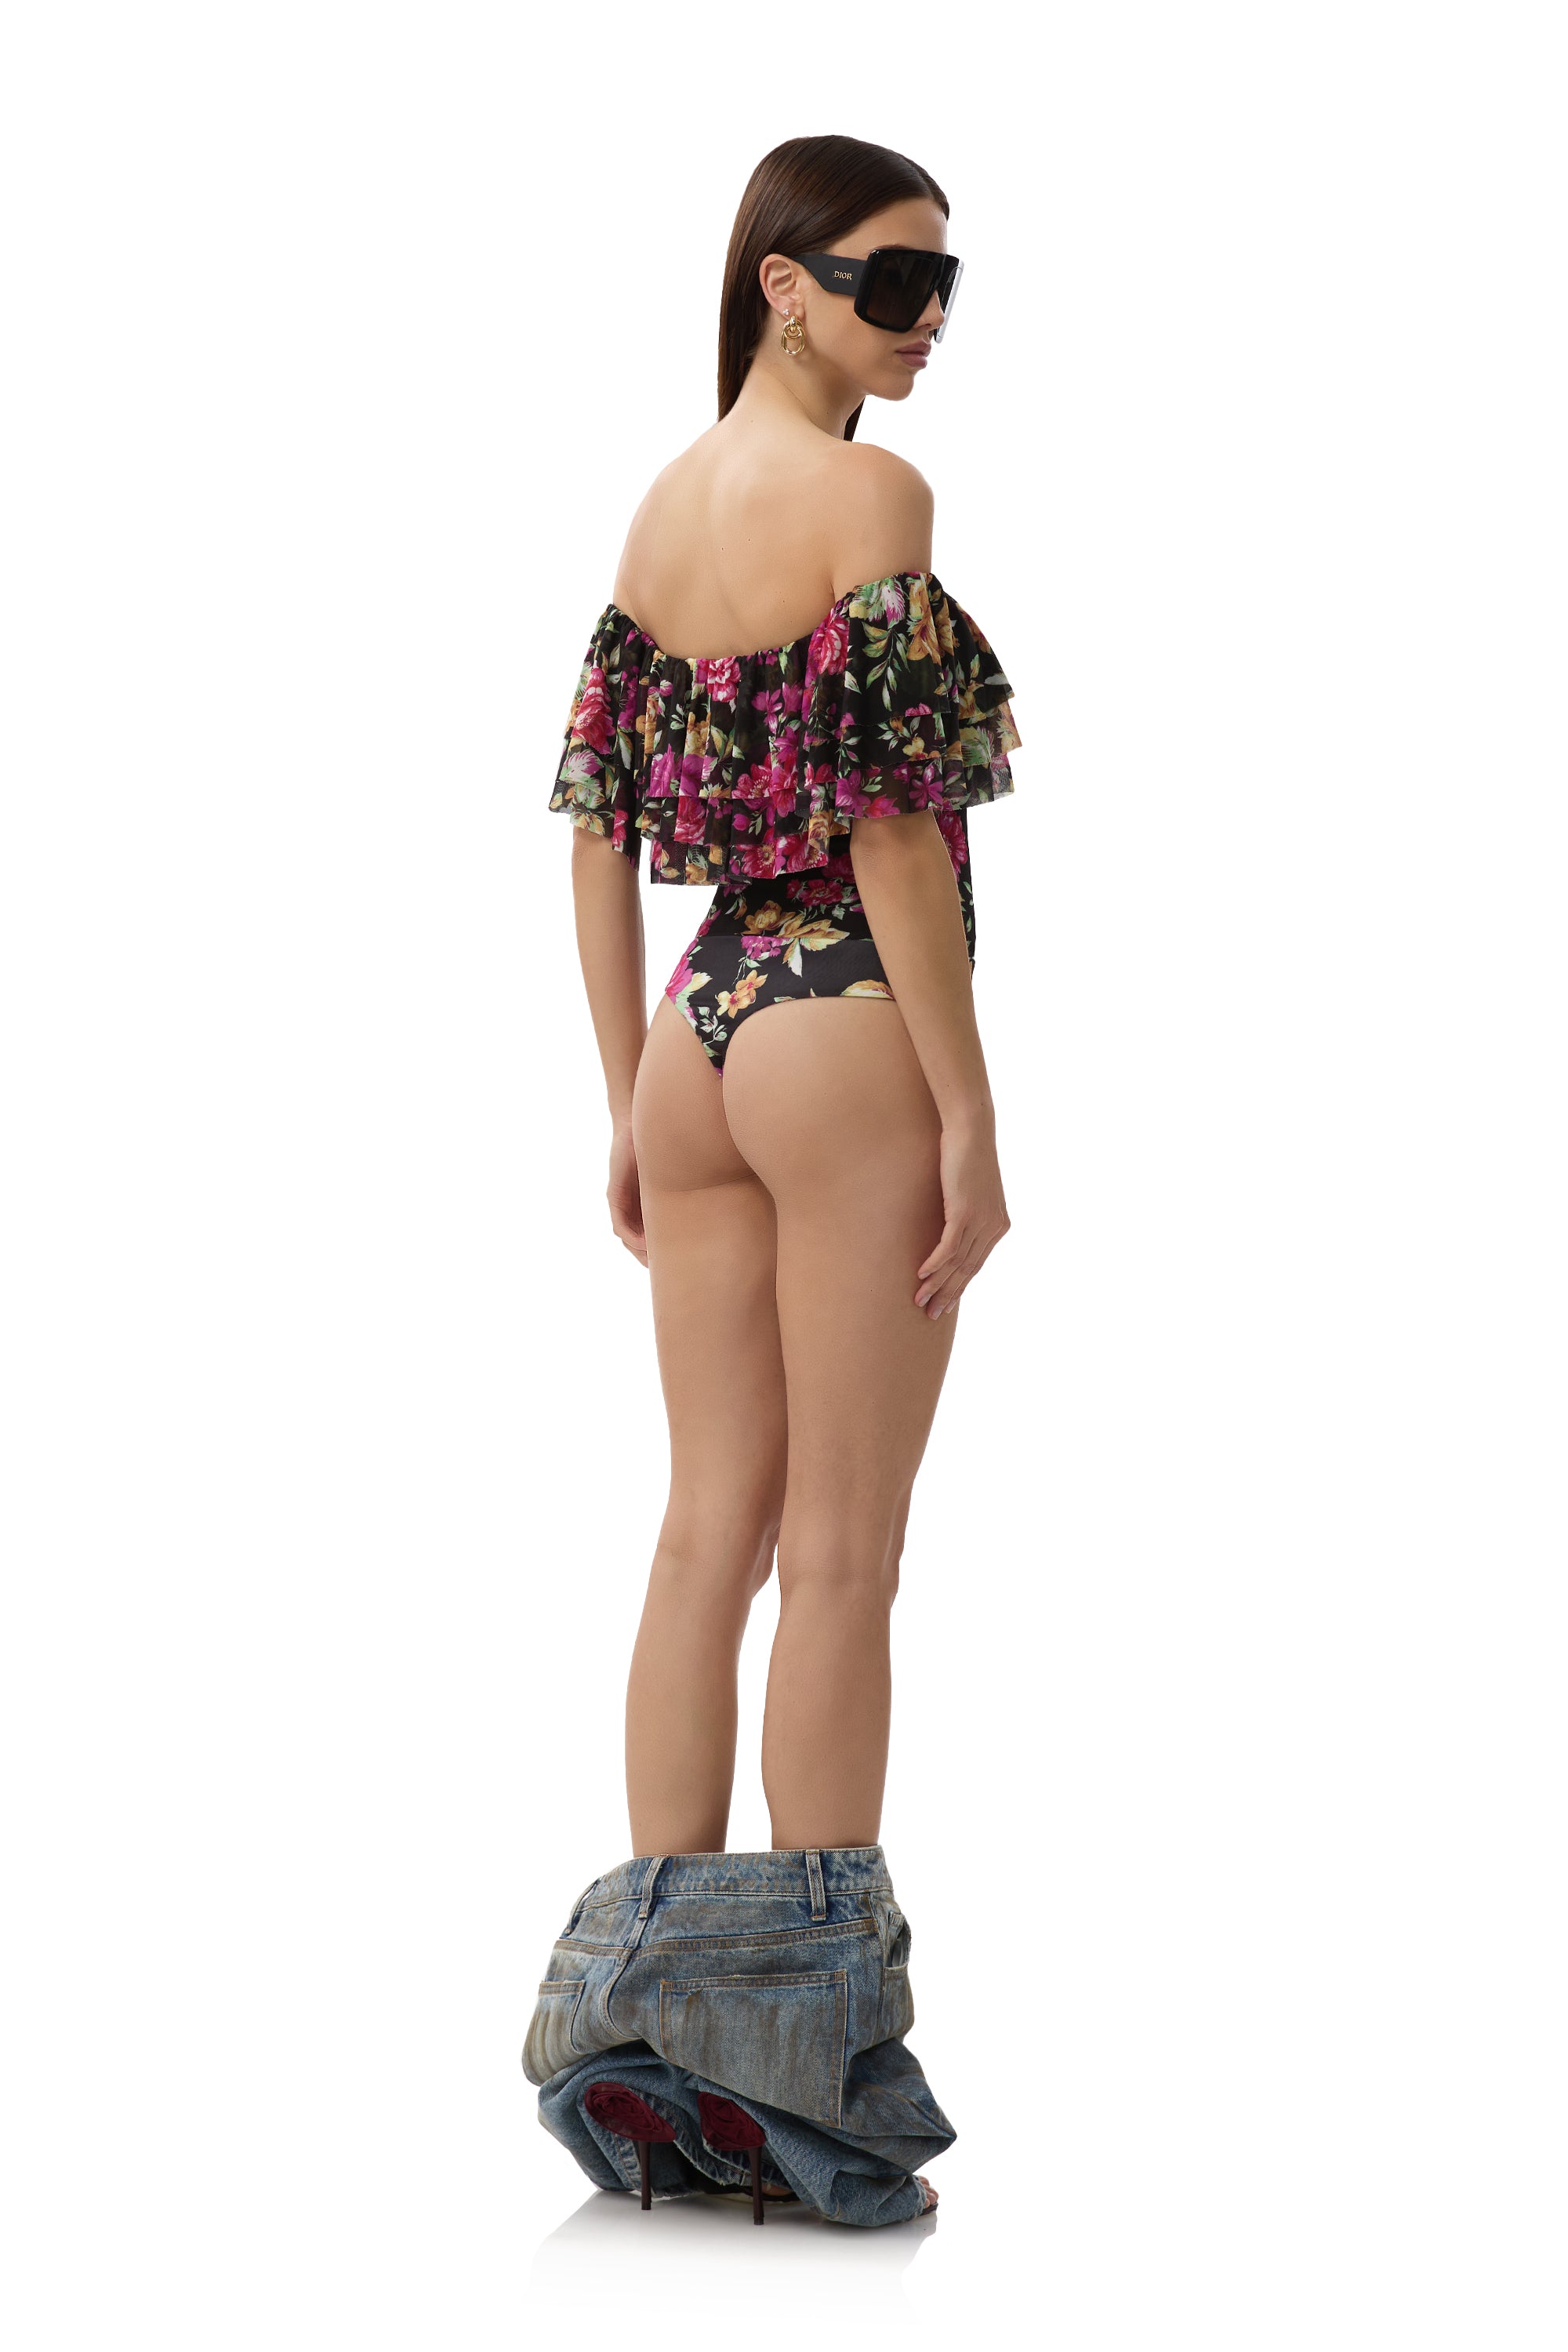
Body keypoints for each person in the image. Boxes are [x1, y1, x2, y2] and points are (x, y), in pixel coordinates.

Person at [523, 134, 1022, 2229]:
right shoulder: (869, 503)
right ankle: (803, 2083)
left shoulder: (662, 513)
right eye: (893, 280)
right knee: (838, 1553)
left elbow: (586, 821)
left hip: (700, 1031)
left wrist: (624, 1098)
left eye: (948, 281)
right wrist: (968, 1112)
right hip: (839, 1022)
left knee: (701, 1532)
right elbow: (893, 829)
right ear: (782, 286)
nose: (930, 318)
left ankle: (643, 2046)